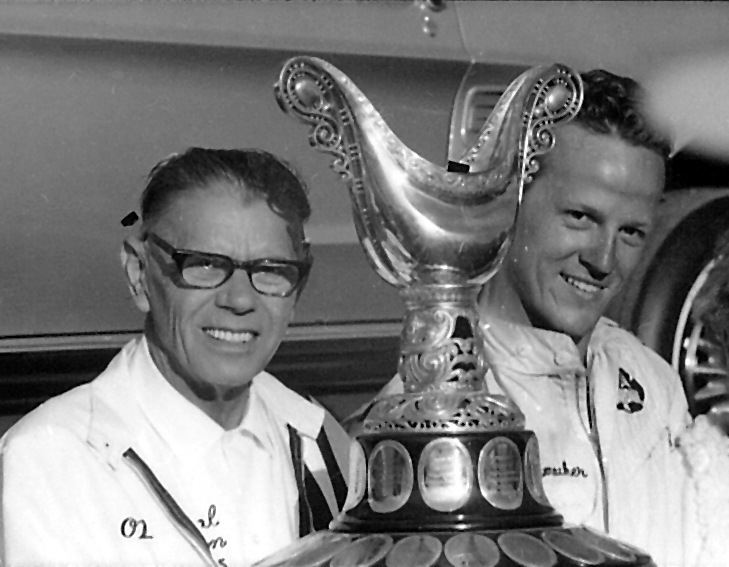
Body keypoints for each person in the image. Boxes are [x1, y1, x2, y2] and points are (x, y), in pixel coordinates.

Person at [346, 70, 727, 566]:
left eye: (631, 232)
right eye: (581, 217)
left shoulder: (655, 383)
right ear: (513, 200)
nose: (603, 260)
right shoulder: (432, 407)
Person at [0, 148, 351, 566]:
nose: (240, 299)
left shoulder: (321, 442)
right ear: (139, 275)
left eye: (270, 270)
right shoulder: (51, 462)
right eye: (204, 265)